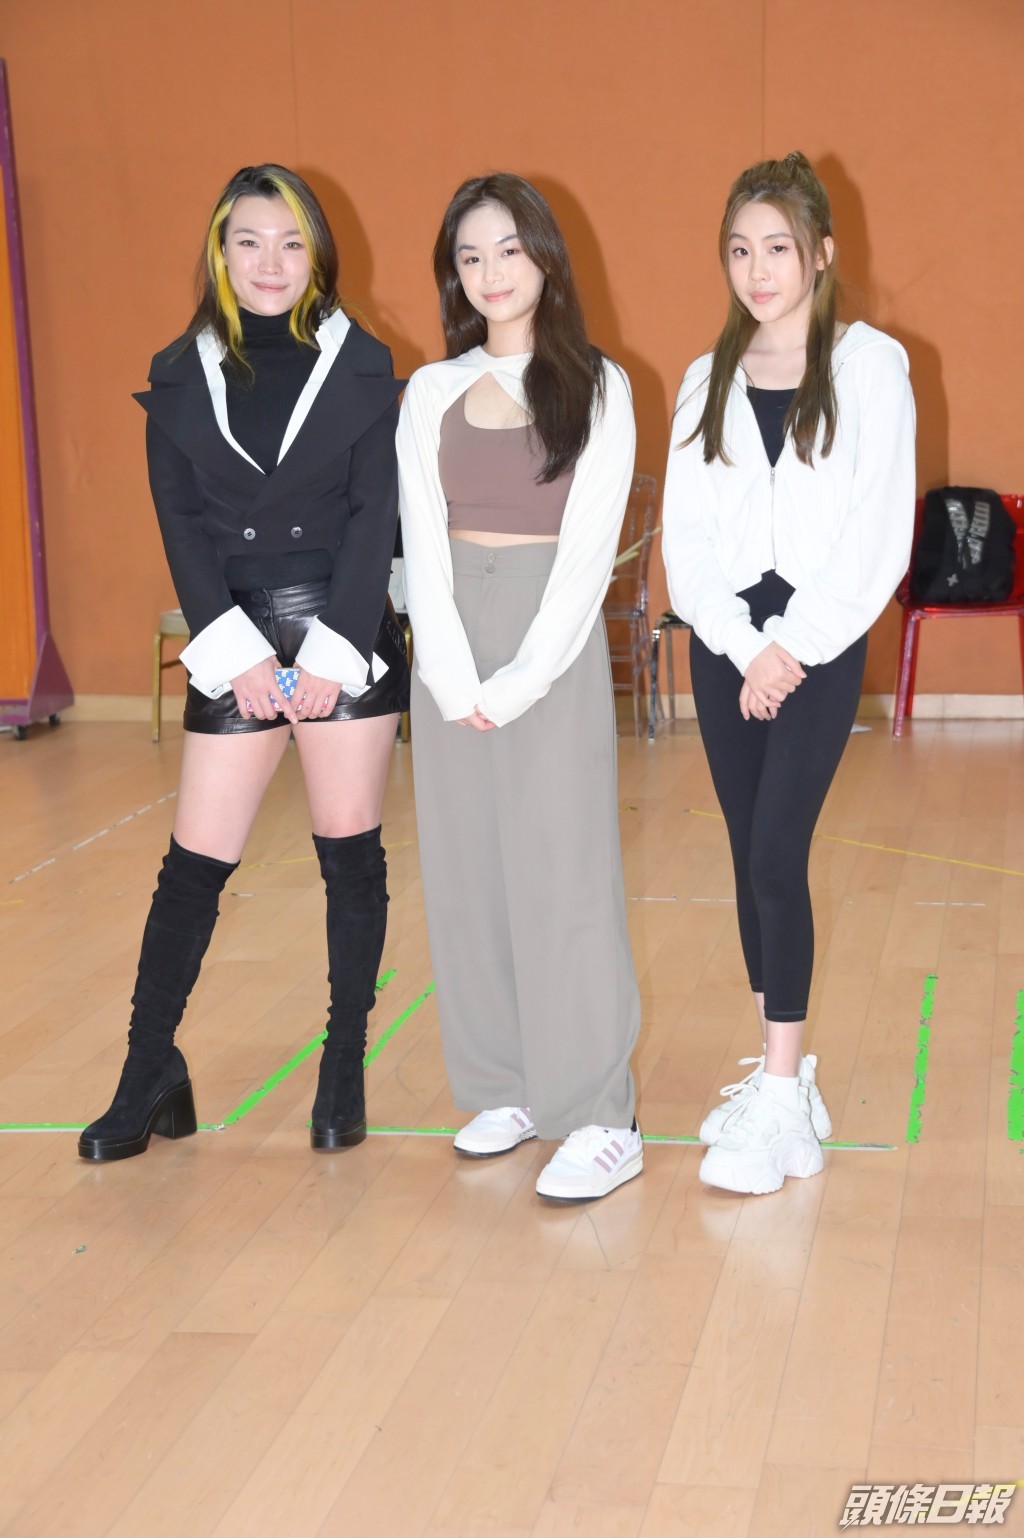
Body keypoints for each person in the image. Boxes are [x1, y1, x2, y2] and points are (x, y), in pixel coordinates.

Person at [78, 164, 408, 1162]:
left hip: (343, 635)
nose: (271, 262)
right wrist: (236, 653)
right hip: (236, 639)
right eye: (250, 241)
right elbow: (179, 524)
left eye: (291, 242)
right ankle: (147, 1070)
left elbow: (375, 515)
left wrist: (334, 651)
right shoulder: (179, 373)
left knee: (349, 858)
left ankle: (342, 1066)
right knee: (193, 867)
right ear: (220, 252)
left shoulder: (365, 366)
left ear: (318, 256)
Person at [662, 151, 915, 1195]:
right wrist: (740, 646)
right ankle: (787, 1087)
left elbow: (875, 533)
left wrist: (792, 648)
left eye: (777, 247)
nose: (757, 270)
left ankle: (776, 1092)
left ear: (820, 253)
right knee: (744, 855)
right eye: (739, 250)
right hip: (727, 647)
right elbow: (686, 540)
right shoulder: (704, 378)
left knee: (776, 850)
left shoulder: (871, 366)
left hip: (818, 640)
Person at [397, 173, 642, 1202]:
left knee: (564, 873)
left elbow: (588, 555)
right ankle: (500, 1085)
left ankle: (598, 1112)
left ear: (544, 255)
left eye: (507, 249)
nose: (491, 272)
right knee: (464, 873)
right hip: (450, 642)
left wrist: (521, 678)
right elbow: (419, 538)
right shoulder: (430, 391)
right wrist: (450, 673)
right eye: (469, 256)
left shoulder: (599, 384)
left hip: (550, 643)